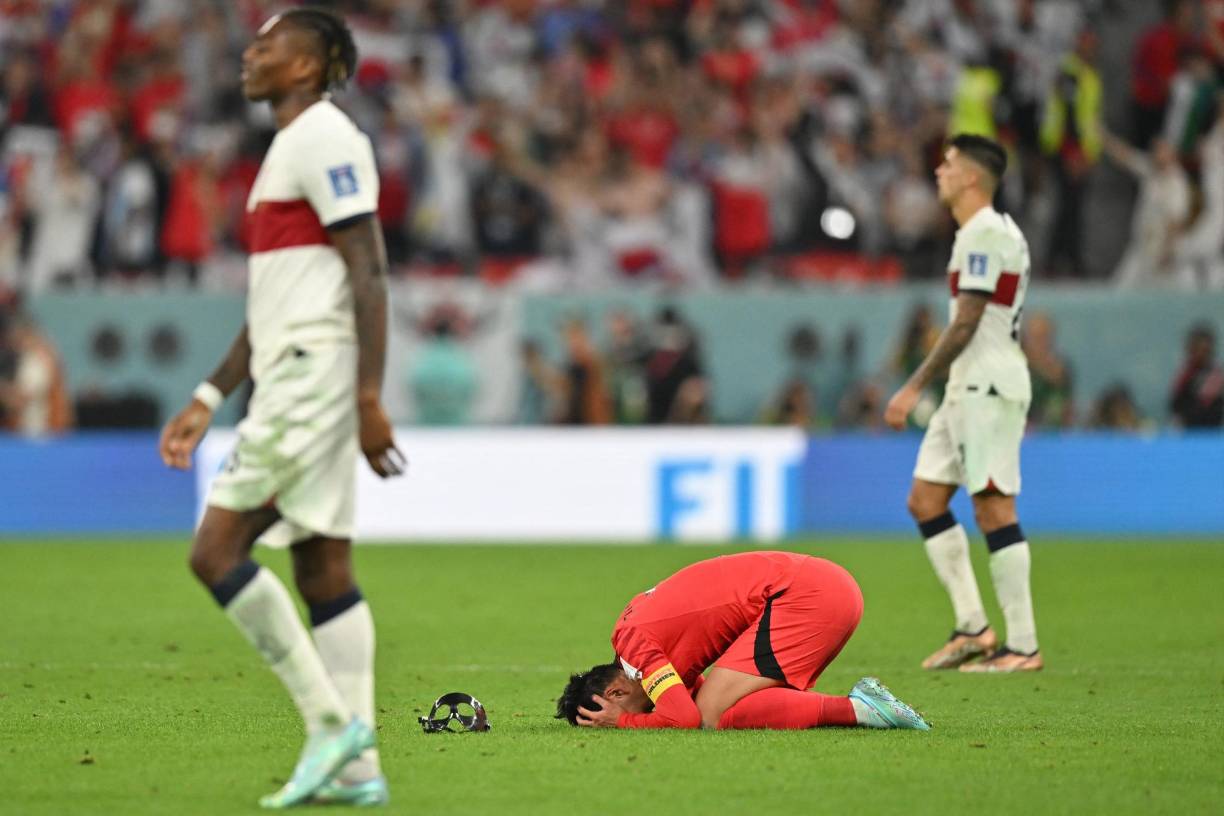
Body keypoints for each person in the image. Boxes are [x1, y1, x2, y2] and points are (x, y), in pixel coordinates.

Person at [157, 9, 401, 809]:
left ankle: (329, 724)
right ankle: (359, 770)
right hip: (296, 367)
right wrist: (207, 394)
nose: (250, 53)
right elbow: (276, 302)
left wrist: (368, 393)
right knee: (321, 564)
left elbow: (369, 268)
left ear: (310, 66)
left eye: (270, 44)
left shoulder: (325, 136)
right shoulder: (289, 148)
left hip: (313, 378)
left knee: (216, 550)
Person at [884, 134, 1042, 673]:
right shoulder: (989, 232)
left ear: (972, 177)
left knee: (994, 506)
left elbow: (968, 320)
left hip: (988, 384)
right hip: (967, 387)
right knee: (925, 500)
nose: (939, 171)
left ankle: (1022, 645)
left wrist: (913, 385)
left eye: (948, 164)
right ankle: (972, 626)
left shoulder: (983, 234)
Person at [556, 550, 930, 732]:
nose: (648, 712)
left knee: (711, 714)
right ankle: (860, 706)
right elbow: (690, 697)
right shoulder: (634, 637)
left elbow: (685, 718)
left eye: (614, 710)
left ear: (616, 695)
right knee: (721, 702)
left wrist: (623, 723)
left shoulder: (637, 650)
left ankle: (862, 709)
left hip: (806, 596)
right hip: (821, 585)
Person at [1169, 323, 1224, 427]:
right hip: (1189, 432)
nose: (1200, 354)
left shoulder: (1217, 376)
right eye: (1196, 349)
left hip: (1214, 433)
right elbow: (1175, 406)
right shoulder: (1184, 376)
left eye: (1205, 350)